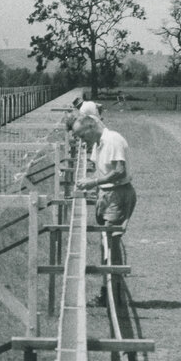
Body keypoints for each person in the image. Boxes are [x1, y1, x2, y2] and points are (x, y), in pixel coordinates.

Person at [73, 114, 137, 306]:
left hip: (117, 195)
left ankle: (114, 296)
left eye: (82, 136)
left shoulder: (112, 140)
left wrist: (93, 182)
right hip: (107, 195)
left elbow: (119, 171)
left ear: (90, 128)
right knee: (106, 243)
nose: (82, 141)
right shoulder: (99, 143)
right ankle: (109, 292)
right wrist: (92, 186)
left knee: (111, 242)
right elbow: (100, 170)